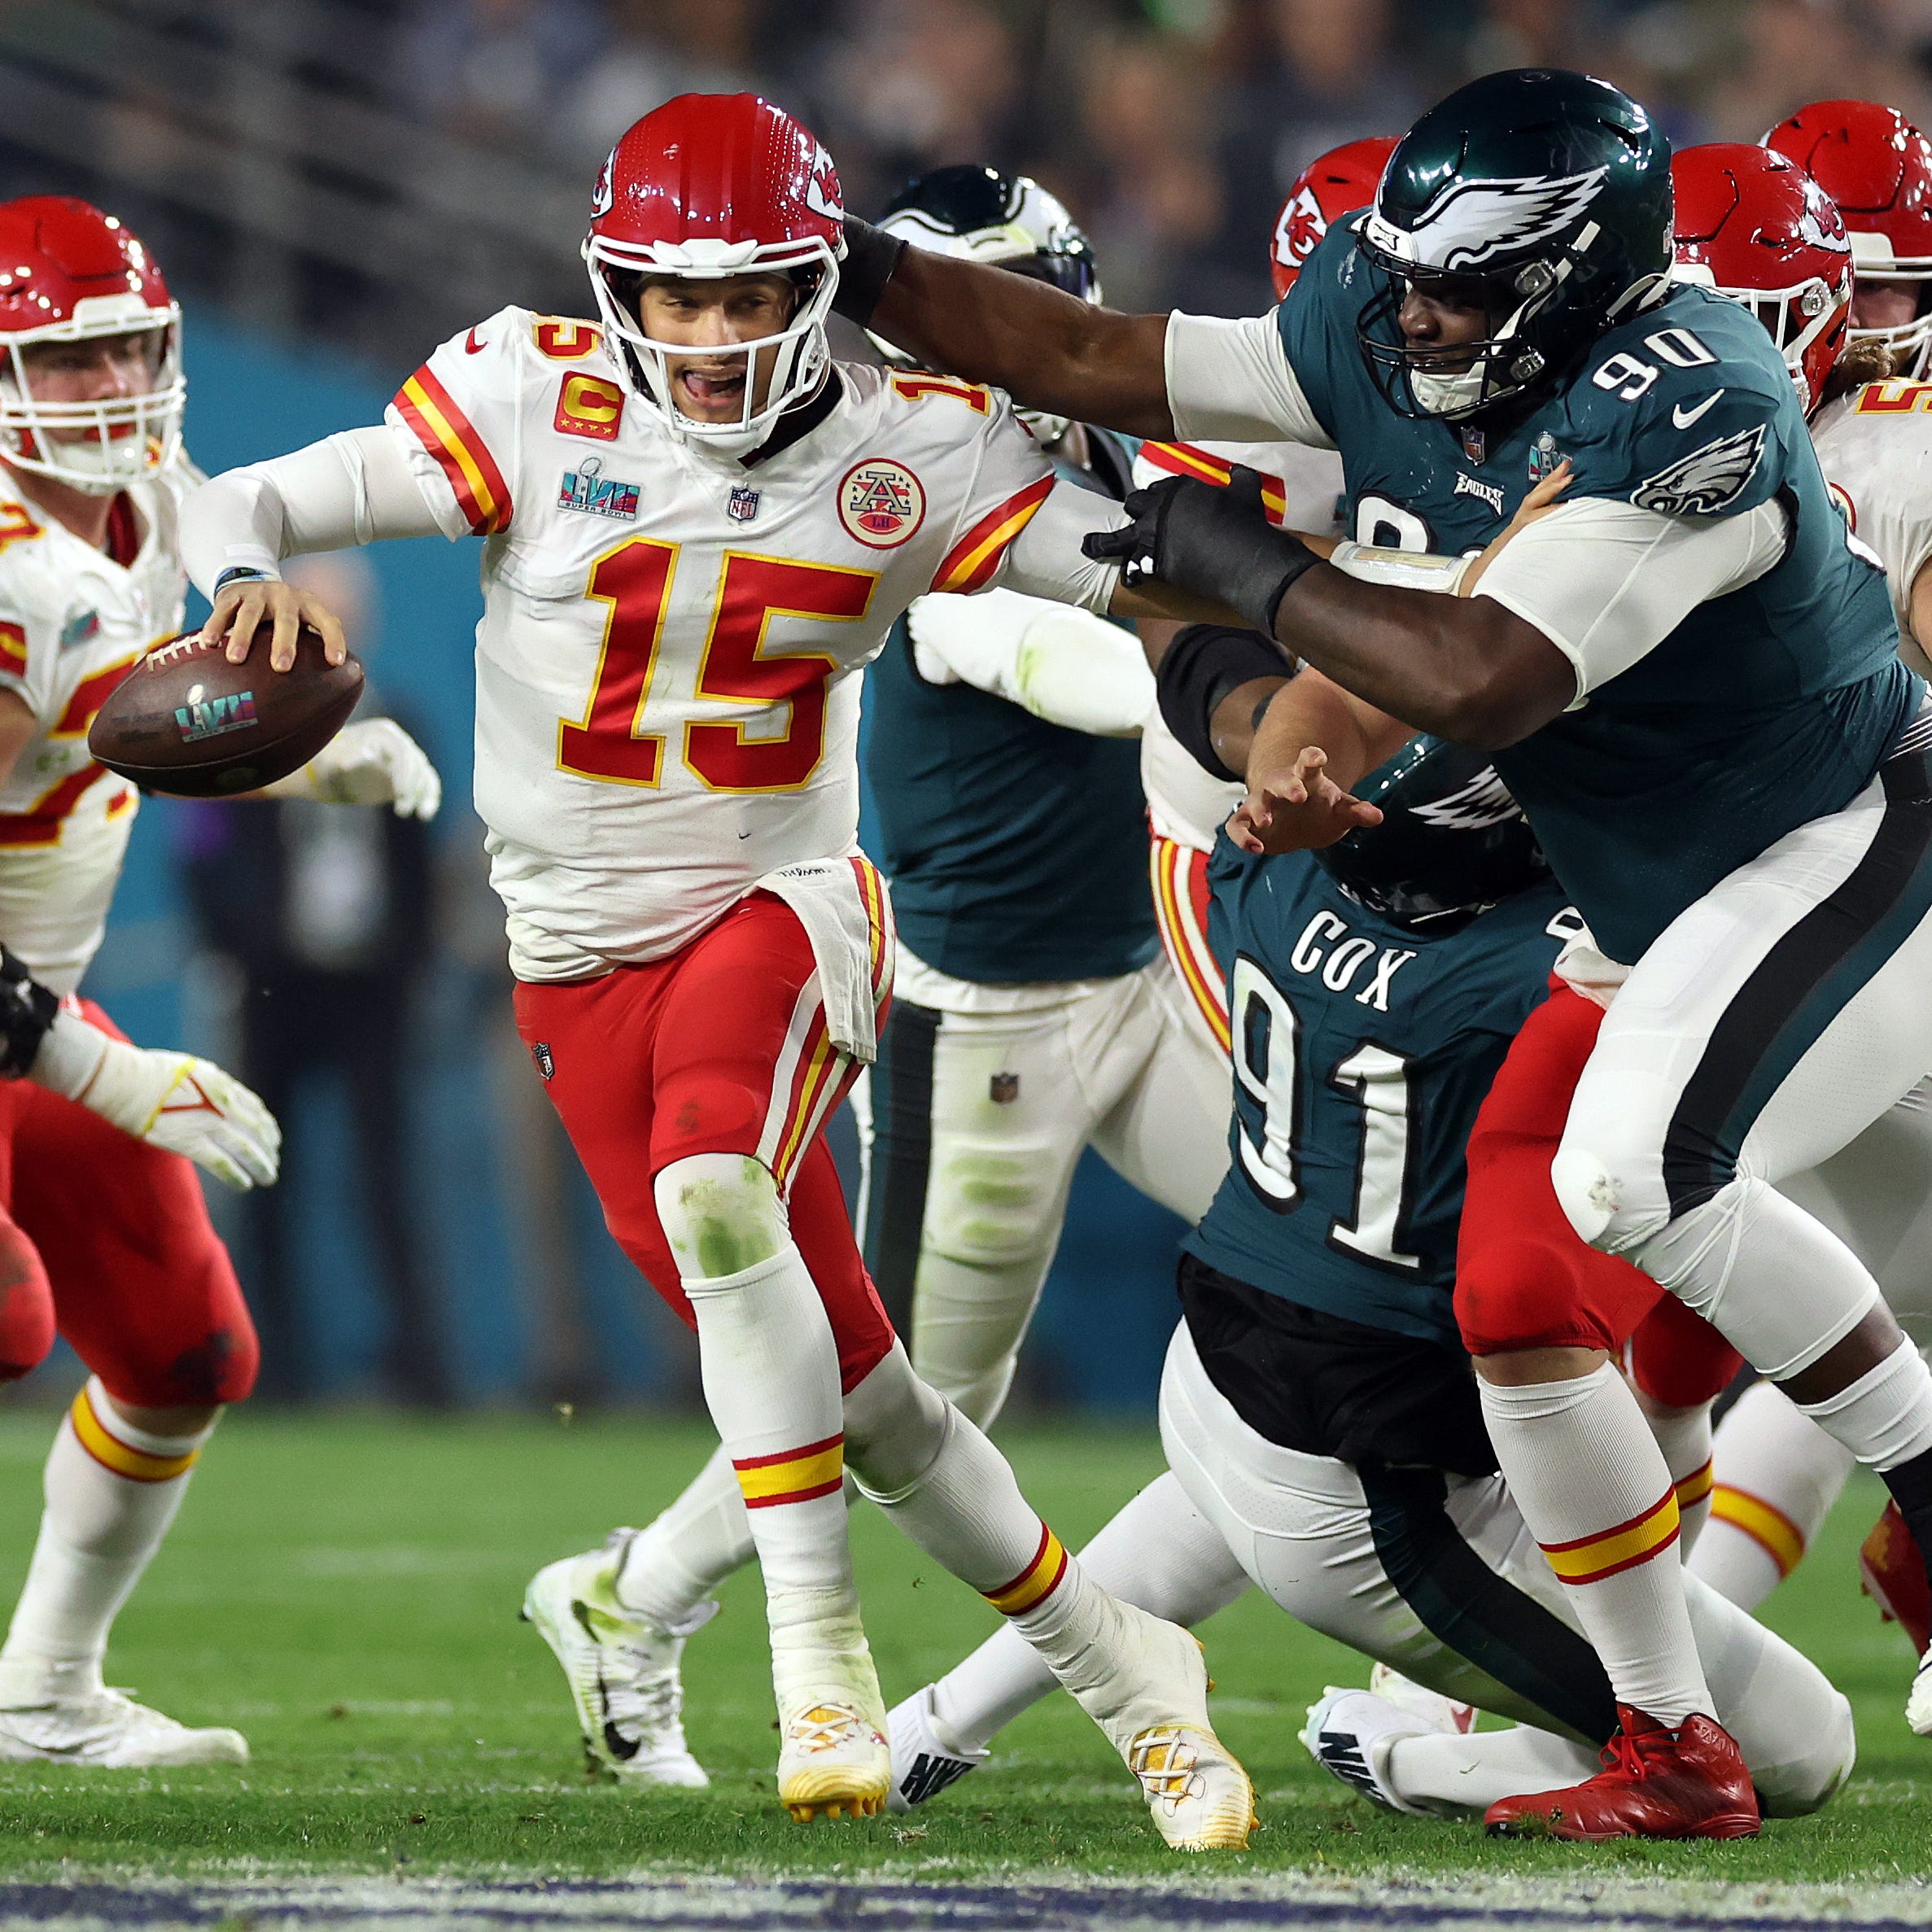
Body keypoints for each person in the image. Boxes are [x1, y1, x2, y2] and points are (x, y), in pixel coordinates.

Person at [827, 63, 1932, 1837]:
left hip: (1823, 850)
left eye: (1458, 283)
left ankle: (1818, 1572)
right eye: (1397, 266)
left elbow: (1483, 675)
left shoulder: (1696, 398)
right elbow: (1107, 363)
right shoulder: (1387, 323)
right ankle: (1653, 1710)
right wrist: (847, 263)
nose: (1407, 307)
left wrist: (1243, 579)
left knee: (1617, 1201)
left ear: (1575, 280)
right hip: (1634, 907)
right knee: (1553, 1268)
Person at [176, 94, 1256, 1845]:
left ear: (821, 282)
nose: (710, 334)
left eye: (752, 294)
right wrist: (244, 585)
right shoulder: (528, 393)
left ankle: (813, 1653)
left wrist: (1270, 596)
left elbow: (1130, 582)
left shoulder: (914, 437)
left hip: (777, 898)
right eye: (672, 299)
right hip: (569, 951)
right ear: (613, 289)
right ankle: (1126, 1664)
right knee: (876, 1400)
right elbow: (248, 495)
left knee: (714, 1182)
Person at [884, 640, 1852, 1834]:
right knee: (1803, 1748)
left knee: (1254, 1469)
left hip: (1222, 1368)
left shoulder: (1261, 877)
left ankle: (931, 1721)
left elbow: (1192, 677)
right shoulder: (1547, 976)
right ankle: (1399, 1749)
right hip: (1379, 1501)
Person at [0, 195, 435, 1766]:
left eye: (130, 342)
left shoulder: (162, 508)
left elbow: (114, 727)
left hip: (21, 1015)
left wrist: (301, 772)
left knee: (185, 1347)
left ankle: (44, 1693)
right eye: (68, 356)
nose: (112, 380)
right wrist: (105, 1072)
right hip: (30, 1028)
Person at [855, 164, 1226, 1426]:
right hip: (980, 1015)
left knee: (1341, 1247)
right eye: (967, 310)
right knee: (916, 1409)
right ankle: (639, 1586)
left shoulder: (1119, 454)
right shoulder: (916, 499)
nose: (1003, 341)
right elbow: (1094, 676)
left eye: (1022, 301)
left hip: (1134, 979)